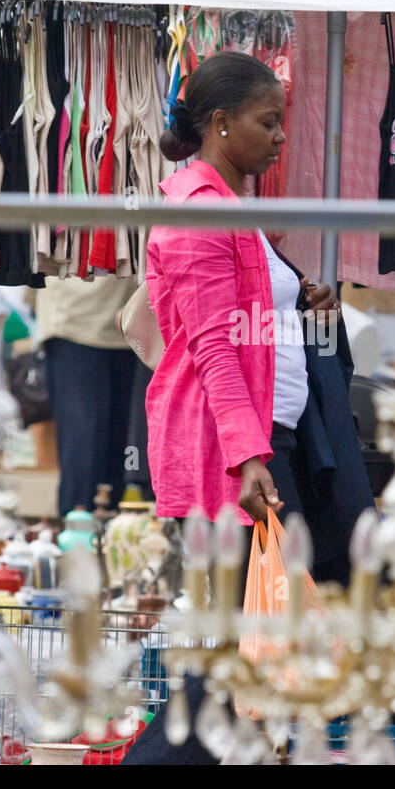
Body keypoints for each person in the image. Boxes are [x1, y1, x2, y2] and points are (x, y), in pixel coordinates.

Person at [144, 50, 374, 582]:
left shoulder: (231, 209)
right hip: (236, 448)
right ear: (221, 124)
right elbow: (214, 347)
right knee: (257, 628)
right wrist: (247, 459)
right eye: (268, 123)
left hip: (273, 435)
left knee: (266, 627)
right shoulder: (201, 213)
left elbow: (250, 322)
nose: (281, 138)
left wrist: (307, 306)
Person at [37, 273, 139, 516]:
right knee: (83, 447)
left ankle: (108, 535)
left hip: (132, 324)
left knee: (122, 445)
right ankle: (77, 537)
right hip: (75, 322)